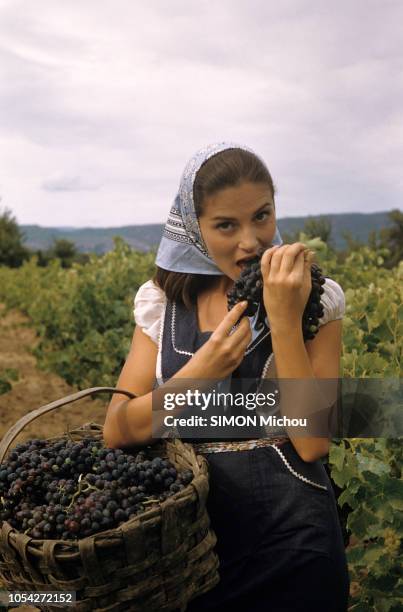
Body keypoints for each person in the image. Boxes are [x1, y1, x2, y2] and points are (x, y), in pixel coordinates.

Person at [103, 142, 350, 611]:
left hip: (297, 543)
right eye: (225, 225)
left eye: (262, 216)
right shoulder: (162, 305)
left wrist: (283, 319)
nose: (251, 241)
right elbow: (117, 429)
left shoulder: (318, 297)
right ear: (194, 228)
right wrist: (199, 373)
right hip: (193, 549)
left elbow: (314, 443)